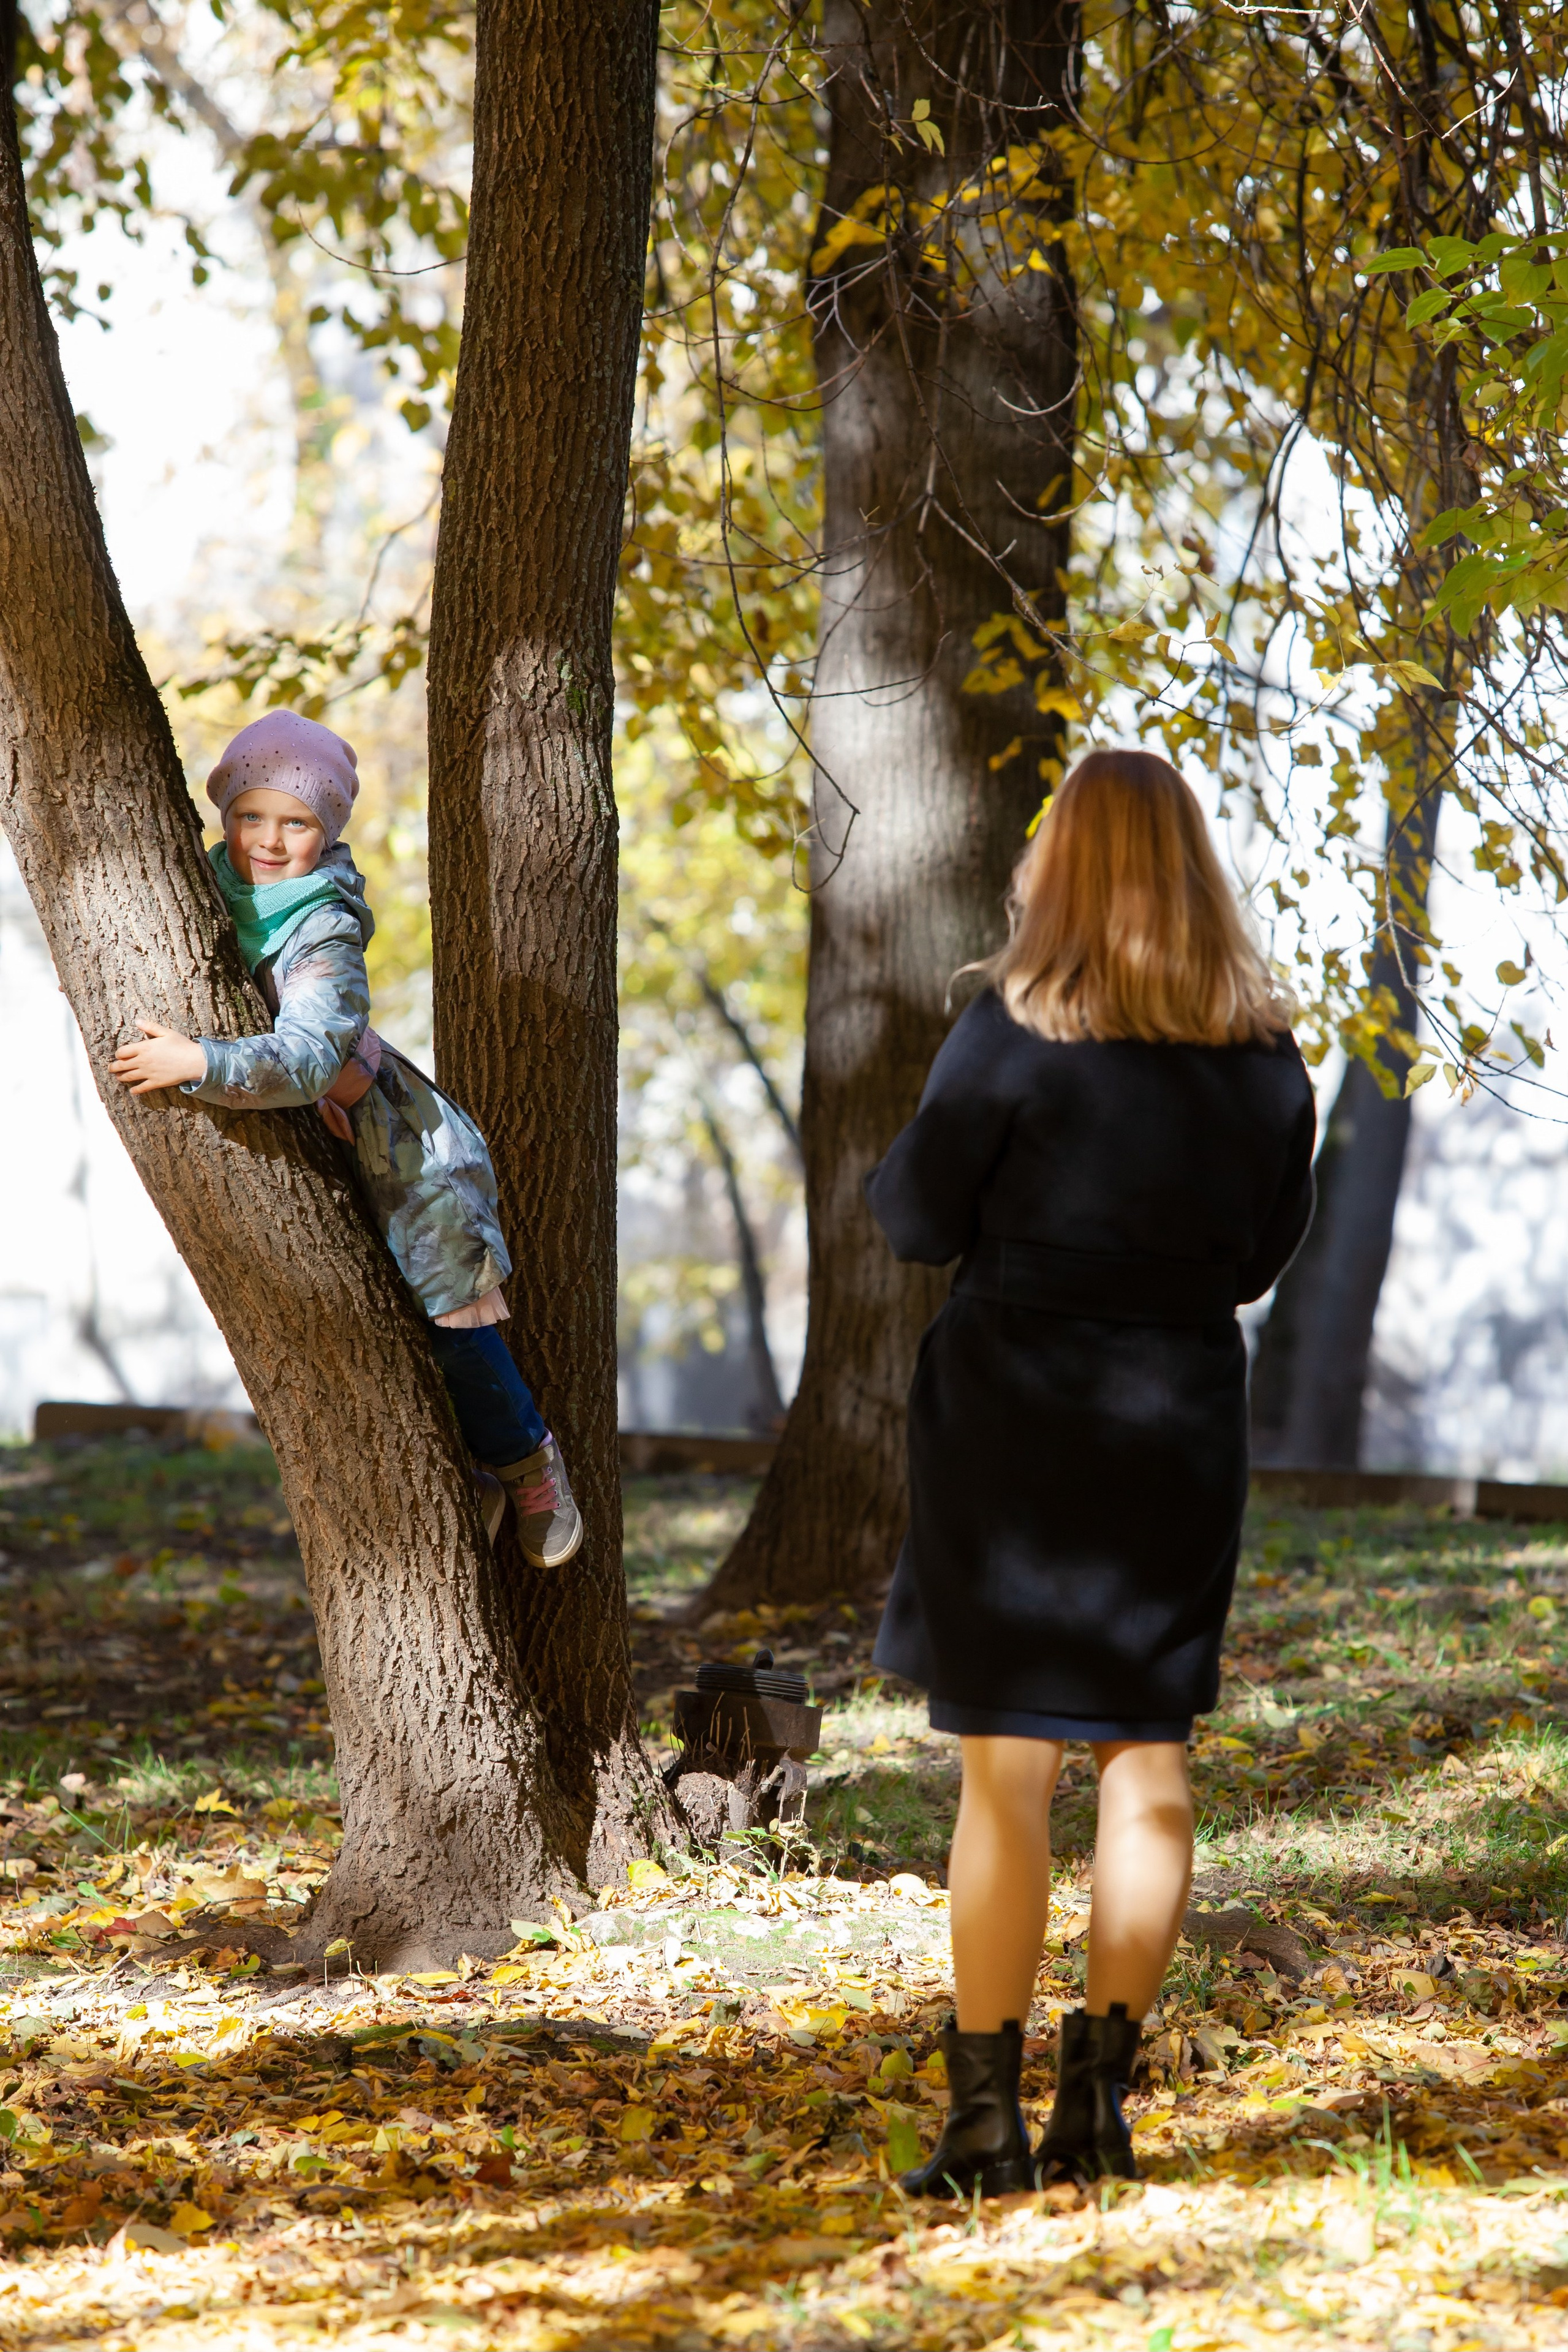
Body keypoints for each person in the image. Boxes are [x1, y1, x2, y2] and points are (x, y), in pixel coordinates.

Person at [866, 747, 1316, 2196]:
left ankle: (981, 2129)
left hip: (1014, 1412)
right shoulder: (1263, 1059)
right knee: (1146, 1757)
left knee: (1005, 1776)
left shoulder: (1010, 1027)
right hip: (1175, 1413)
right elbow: (1256, 1259)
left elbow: (916, 1217)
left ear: (1056, 867)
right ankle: (1097, 2115)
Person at [108, 709, 582, 1570]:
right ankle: (467, 1475)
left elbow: (309, 1056)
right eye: (251, 815)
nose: (268, 840)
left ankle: (526, 1461)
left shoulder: (323, 922)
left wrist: (200, 1060)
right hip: (318, 1133)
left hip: (394, 1144)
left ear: (326, 832)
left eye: (296, 823)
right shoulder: (207, 880)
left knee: (443, 1318)